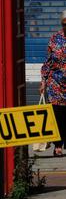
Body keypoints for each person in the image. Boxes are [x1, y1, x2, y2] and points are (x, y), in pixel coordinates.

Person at [40, 11, 66, 157]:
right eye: (64, 24)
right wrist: (43, 82)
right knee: (58, 116)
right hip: (56, 83)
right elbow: (48, 62)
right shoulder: (55, 38)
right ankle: (58, 145)